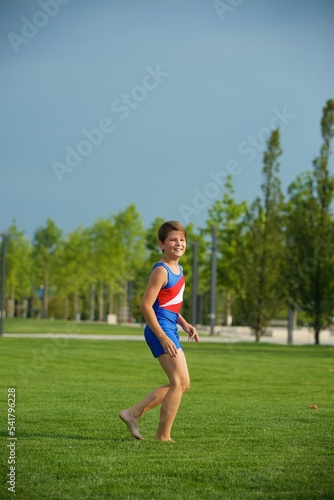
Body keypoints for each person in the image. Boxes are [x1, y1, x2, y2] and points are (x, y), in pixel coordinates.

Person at [119, 220, 199, 442]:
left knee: (182, 384)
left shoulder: (179, 268)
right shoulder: (161, 270)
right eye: (172, 240)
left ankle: (133, 413)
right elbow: (146, 306)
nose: (178, 243)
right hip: (159, 330)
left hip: (169, 326)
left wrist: (184, 324)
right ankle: (163, 436)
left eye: (182, 240)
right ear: (161, 244)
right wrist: (163, 336)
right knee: (178, 383)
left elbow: (168, 304)